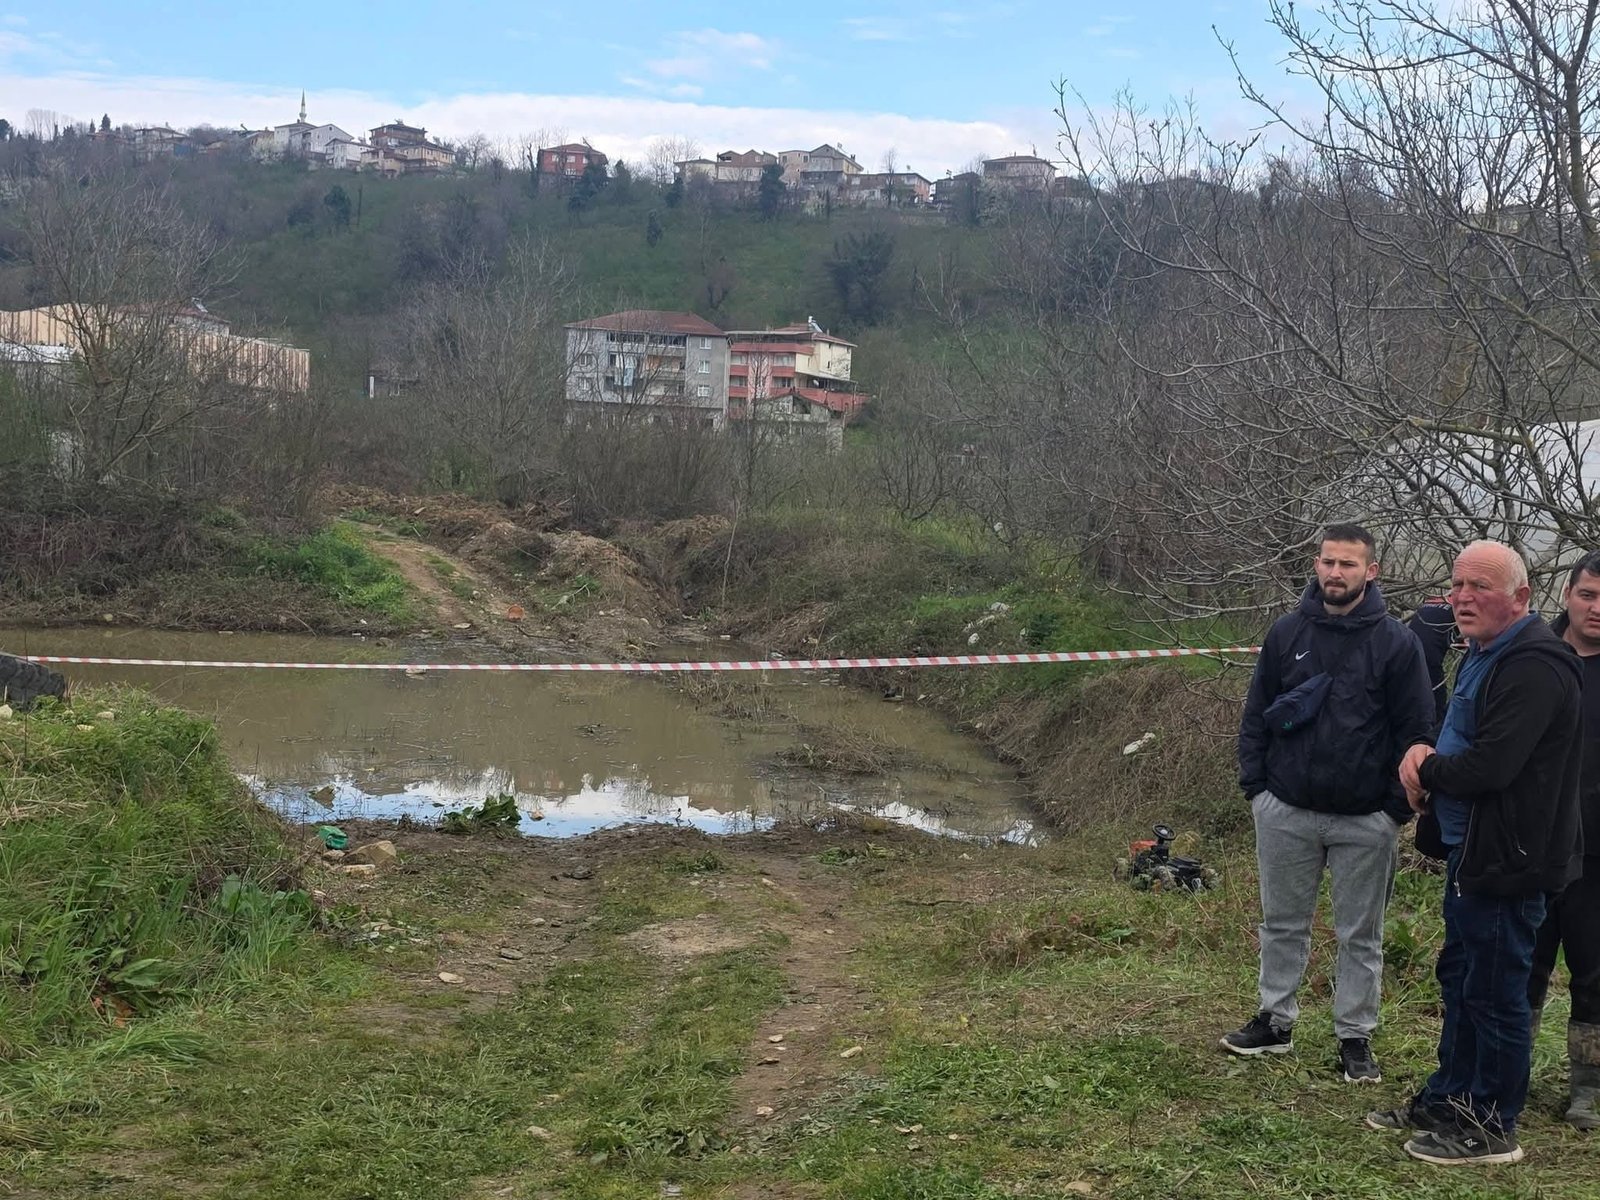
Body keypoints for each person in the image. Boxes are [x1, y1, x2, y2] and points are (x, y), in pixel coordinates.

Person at [1371, 541, 1582, 1166]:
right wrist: (1427, 760)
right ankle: (1449, 1100)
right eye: (1458, 584)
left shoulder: (1535, 665)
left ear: (1521, 598)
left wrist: (1425, 766)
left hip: (1509, 860)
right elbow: (1464, 739)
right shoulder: (1487, 654)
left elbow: (1492, 766)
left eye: (1480, 586)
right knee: (1462, 980)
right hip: (1474, 851)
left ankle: (1491, 1125)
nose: (1463, 596)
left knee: (1495, 992)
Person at [1228, 523, 1435, 1086]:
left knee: (1360, 934)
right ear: (1315, 566)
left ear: (1372, 571)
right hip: (1286, 810)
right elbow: (1256, 716)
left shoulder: (1398, 642)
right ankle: (1275, 1021)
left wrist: (1391, 810)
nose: (1335, 573)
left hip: (1365, 818)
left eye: (1348, 564)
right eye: (1327, 562)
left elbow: (1416, 730)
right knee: (1282, 923)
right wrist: (1258, 791)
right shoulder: (1286, 633)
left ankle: (1354, 1036)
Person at [1530, 550, 1600, 1131]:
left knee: (1595, 974)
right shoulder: (1535, 658)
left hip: (1598, 855)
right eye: (1587, 595)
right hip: (1531, 846)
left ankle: (1587, 1091)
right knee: (1521, 966)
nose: (1596, 608)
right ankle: (1511, 1073)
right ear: (1567, 595)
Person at [1407, 596, 1457, 729]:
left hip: (1407, 654)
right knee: (1435, 711)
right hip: (1429, 661)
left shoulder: (1432, 601)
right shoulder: (1462, 606)